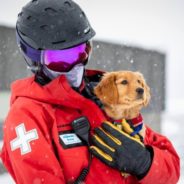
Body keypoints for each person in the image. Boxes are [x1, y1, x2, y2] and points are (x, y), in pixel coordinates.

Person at [0, 0, 180, 183]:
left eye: (81, 52)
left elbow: (172, 169)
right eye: (61, 58)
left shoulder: (105, 98)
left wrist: (145, 163)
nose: (76, 66)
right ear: (34, 60)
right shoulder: (28, 115)